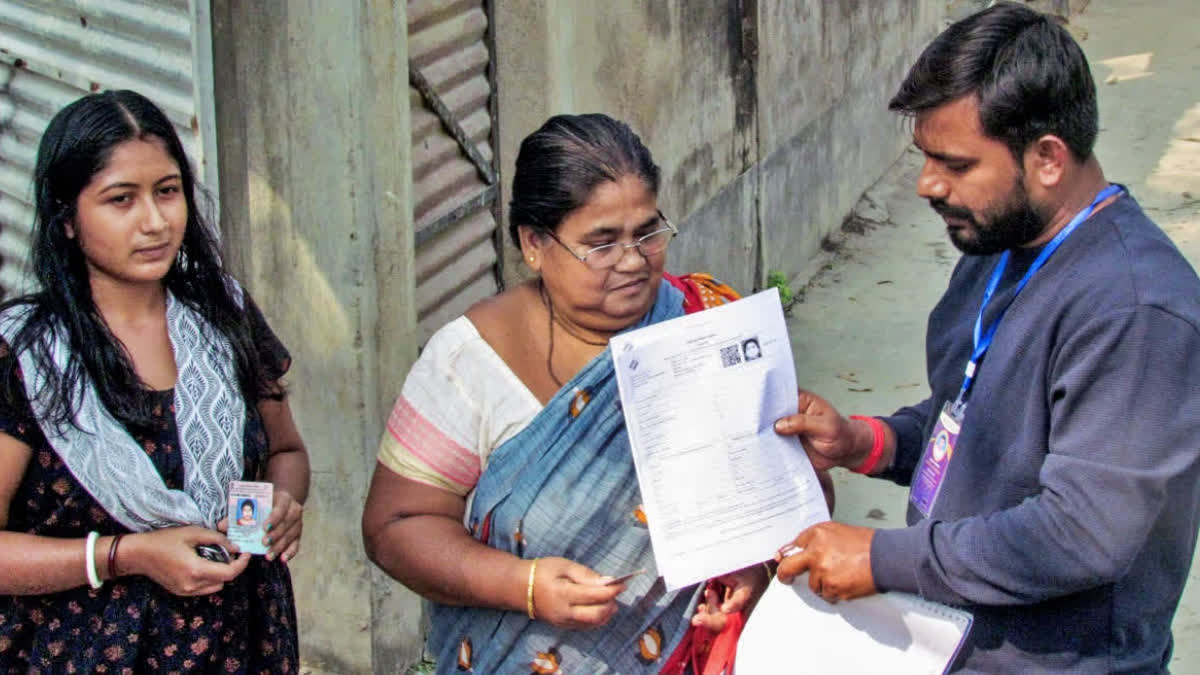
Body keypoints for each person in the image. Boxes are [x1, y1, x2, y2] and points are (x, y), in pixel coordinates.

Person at [771, 3, 1200, 672]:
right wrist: (870, 442)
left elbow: (1081, 532)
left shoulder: (1136, 310)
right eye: (924, 157)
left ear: (1049, 158)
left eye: (955, 163)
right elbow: (972, 416)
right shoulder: (997, 244)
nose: (926, 184)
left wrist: (881, 558)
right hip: (954, 637)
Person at [362, 114, 812, 673]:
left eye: (648, 233)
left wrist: (752, 570)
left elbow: (797, 493)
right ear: (533, 244)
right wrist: (522, 585)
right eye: (600, 244)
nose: (632, 260)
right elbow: (395, 527)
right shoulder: (468, 362)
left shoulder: (707, 324)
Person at [0, 90, 309, 673]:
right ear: (66, 218)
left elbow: (287, 450)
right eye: (122, 200)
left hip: (239, 642)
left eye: (167, 192)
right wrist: (128, 555)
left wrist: (282, 502)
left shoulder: (224, 316)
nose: (155, 221)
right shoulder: (25, 354)